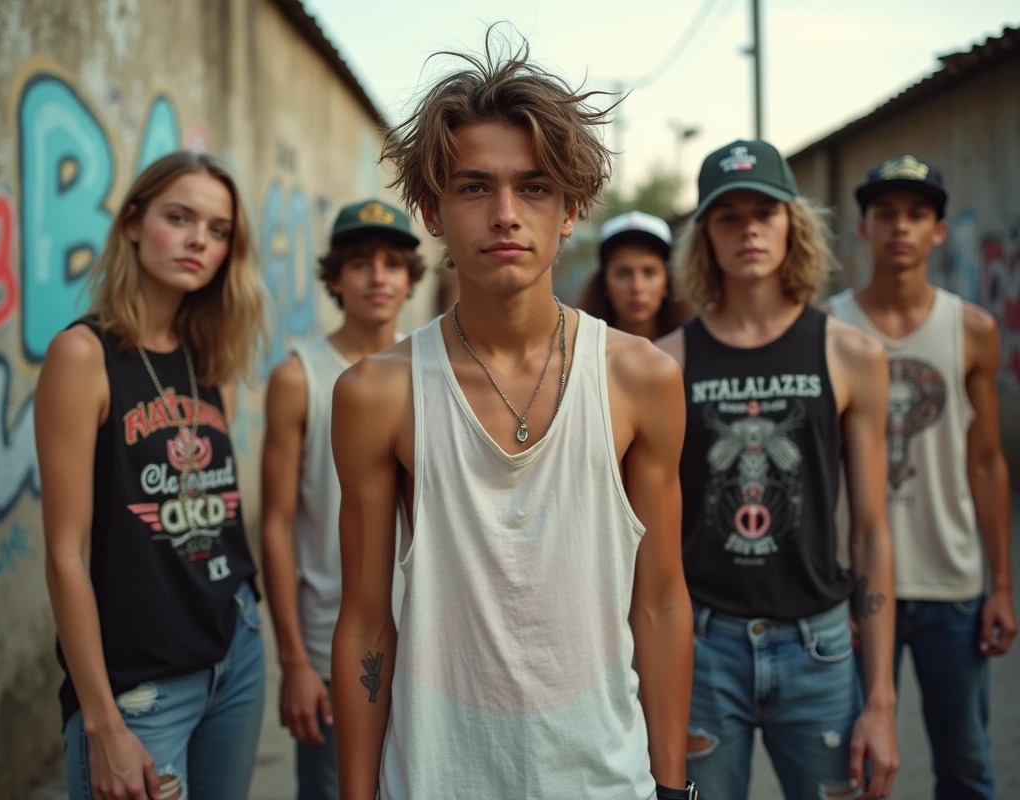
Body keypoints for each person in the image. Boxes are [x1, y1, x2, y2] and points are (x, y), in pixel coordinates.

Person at [330, 27, 698, 800]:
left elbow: (661, 599)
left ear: (571, 210)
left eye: (533, 188)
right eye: (473, 187)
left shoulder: (640, 378)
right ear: (432, 210)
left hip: (605, 778)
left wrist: (672, 789)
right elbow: (365, 622)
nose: (505, 213)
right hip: (434, 779)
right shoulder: (375, 393)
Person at [656, 139, 900, 800]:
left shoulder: (851, 354)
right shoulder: (664, 363)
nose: (749, 229)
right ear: (705, 234)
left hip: (820, 648)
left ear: (793, 222)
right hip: (704, 650)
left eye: (764, 211)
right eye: (728, 215)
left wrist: (880, 700)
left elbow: (872, 531)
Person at [36, 150, 267, 800]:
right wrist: (102, 722)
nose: (199, 239)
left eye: (219, 229)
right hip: (141, 683)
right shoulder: (81, 356)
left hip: (236, 652)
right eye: (180, 217)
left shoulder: (210, 357)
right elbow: (65, 556)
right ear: (134, 223)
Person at [829, 154, 1016, 800]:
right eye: (885, 214)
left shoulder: (973, 329)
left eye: (916, 214)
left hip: (952, 582)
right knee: (851, 773)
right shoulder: (828, 328)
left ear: (939, 230)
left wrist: (1002, 584)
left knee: (965, 769)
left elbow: (987, 460)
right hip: (852, 590)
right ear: (864, 227)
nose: (899, 228)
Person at [261, 198, 424, 799]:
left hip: (429, 636)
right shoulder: (299, 376)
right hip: (336, 640)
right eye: (359, 263)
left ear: (411, 277)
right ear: (334, 277)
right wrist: (294, 661)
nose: (377, 276)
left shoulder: (433, 367)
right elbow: (277, 525)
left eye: (391, 262)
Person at [576, 210, 689, 339]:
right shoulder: (579, 351)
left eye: (649, 272)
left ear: (667, 281)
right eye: (623, 273)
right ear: (604, 283)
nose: (637, 287)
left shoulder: (692, 348)